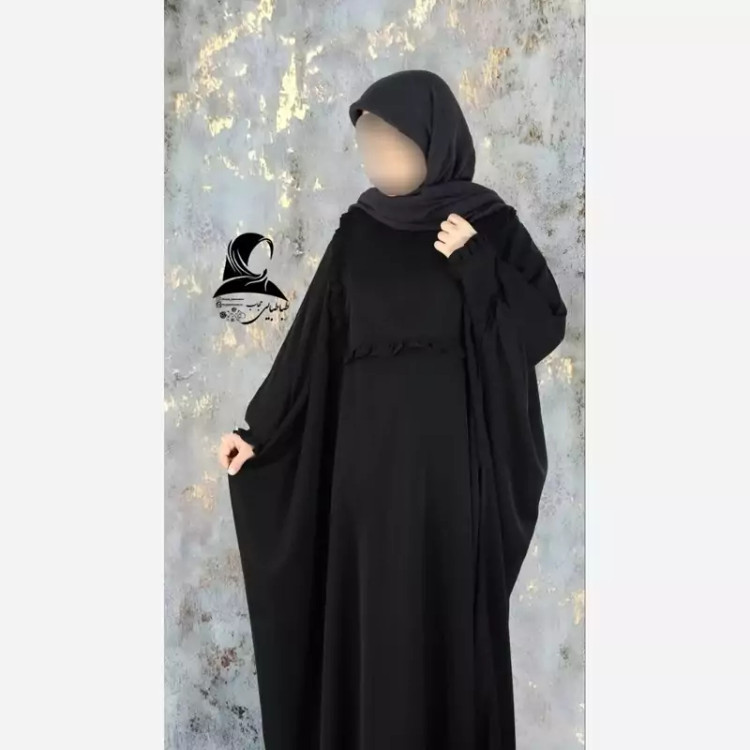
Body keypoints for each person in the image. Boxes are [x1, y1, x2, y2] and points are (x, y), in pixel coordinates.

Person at [218, 69, 567, 750]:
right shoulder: (359, 231)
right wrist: (259, 430)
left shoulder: (488, 223)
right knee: (372, 618)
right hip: (366, 479)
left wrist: (476, 262)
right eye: (368, 147)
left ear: (433, 141)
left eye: (390, 144)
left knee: (443, 614)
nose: (375, 160)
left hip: (450, 474)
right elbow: (312, 343)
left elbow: (542, 326)